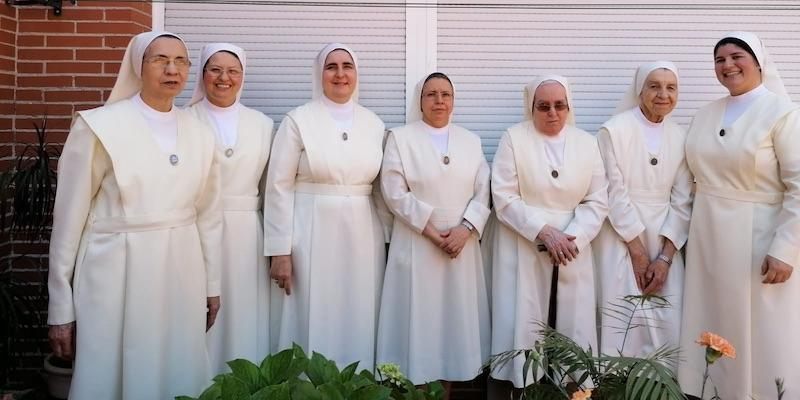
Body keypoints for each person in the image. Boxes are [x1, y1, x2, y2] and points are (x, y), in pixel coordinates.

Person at [46, 31, 222, 399]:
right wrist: (60, 306)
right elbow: (68, 221)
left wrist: (212, 285)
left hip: (181, 272)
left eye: (181, 61)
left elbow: (208, 217)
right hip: (114, 274)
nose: (172, 69)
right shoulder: (98, 126)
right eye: (160, 59)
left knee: (177, 367)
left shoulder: (201, 133)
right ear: (138, 67)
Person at [678, 32, 800, 399]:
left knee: (762, 328)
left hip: (759, 240)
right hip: (708, 239)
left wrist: (786, 249)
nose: (728, 65)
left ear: (758, 62)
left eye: (736, 56)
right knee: (714, 319)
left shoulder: (783, 112)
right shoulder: (705, 113)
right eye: (719, 60)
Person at [264, 43, 391, 370]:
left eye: (347, 66)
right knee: (312, 310)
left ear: (356, 73)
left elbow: (381, 191)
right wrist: (279, 250)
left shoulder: (374, 124)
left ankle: (356, 383)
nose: (340, 74)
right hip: (309, 233)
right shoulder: (298, 120)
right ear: (319, 74)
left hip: (362, 235)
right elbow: (278, 185)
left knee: (358, 309)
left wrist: (390, 241)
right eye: (331, 66)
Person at [488, 75, 608, 394]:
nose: (552, 113)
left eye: (559, 105)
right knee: (525, 325)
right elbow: (503, 194)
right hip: (524, 243)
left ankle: (573, 393)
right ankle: (524, 390)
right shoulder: (513, 138)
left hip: (572, 249)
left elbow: (598, 200)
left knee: (573, 327)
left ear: (569, 107)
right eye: (543, 106)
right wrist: (544, 231)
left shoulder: (587, 143)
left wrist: (572, 237)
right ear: (532, 108)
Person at [376, 72, 491, 394]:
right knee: (420, 326)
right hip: (417, 241)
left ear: (453, 101)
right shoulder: (400, 138)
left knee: (452, 328)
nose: (439, 100)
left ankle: (446, 392)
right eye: (431, 94)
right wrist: (431, 231)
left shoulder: (471, 141)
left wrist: (465, 229)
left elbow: (483, 189)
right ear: (421, 101)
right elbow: (393, 191)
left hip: (460, 246)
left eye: (445, 94)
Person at [592, 62, 692, 361]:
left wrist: (665, 257)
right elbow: (612, 191)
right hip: (620, 234)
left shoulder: (682, 137)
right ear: (639, 89)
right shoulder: (613, 131)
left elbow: (683, 200)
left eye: (671, 87)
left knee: (667, 318)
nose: (663, 94)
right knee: (621, 315)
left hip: (665, 239)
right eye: (654, 86)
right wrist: (637, 252)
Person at [185, 43, 274, 374]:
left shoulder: (263, 124)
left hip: (247, 233)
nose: (224, 78)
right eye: (215, 69)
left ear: (242, 76)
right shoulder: (183, 119)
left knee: (243, 313)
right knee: (199, 310)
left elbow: (269, 187)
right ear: (202, 74)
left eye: (233, 71)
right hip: (195, 231)